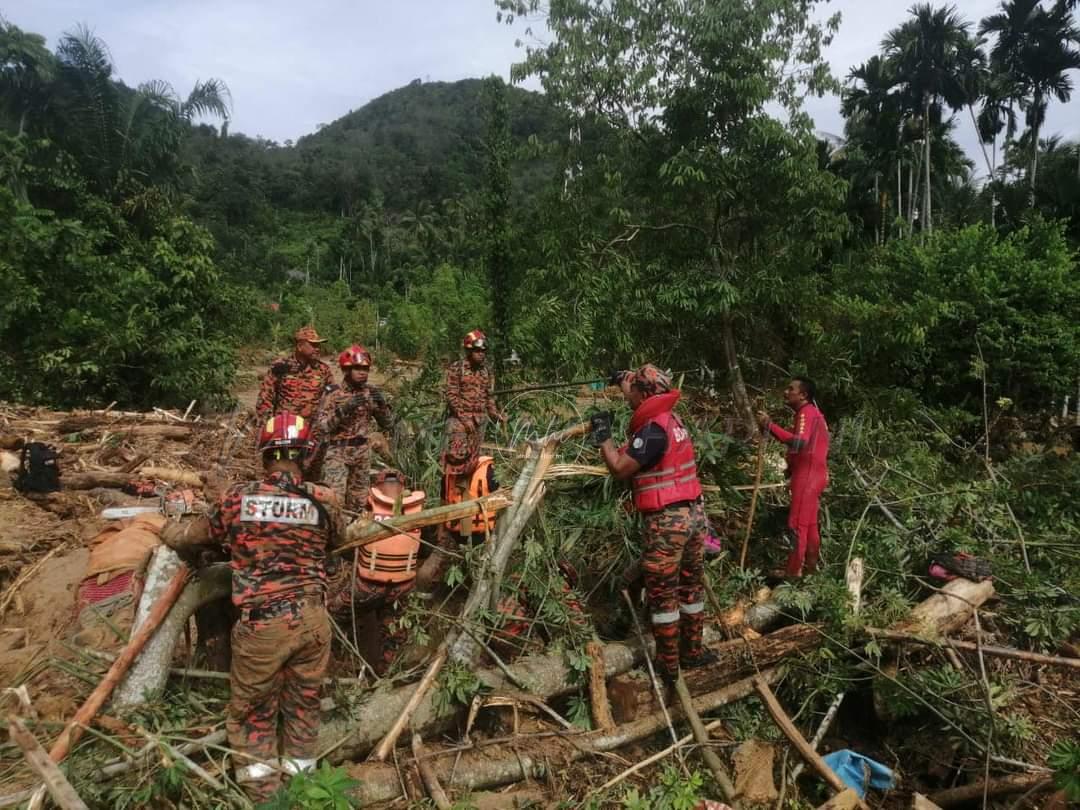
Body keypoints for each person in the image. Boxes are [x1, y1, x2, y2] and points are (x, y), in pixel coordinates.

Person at [161, 412, 343, 801]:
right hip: (313, 620)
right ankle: (305, 789)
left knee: (252, 716)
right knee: (303, 708)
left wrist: (166, 528)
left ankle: (266, 799)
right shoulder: (324, 500)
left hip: (264, 627)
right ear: (306, 455)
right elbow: (335, 542)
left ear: (264, 455)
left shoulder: (237, 499)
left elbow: (191, 538)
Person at [591, 364, 714, 685]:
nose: (627, 396)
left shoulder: (652, 432)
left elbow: (619, 467)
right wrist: (621, 380)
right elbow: (635, 396)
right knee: (691, 588)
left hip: (667, 524)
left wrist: (603, 437)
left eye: (631, 390)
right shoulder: (672, 422)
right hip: (694, 518)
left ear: (645, 393)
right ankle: (693, 652)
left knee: (663, 598)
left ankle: (668, 665)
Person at [756, 377, 830, 578]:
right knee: (810, 525)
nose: (786, 392)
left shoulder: (806, 413)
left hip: (808, 477)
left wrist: (770, 426)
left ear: (803, 395)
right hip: (816, 475)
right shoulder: (815, 414)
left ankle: (792, 576)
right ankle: (810, 572)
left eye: (791, 389)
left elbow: (799, 443)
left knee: (796, 525)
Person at [316, 344, 394, 513]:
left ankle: (355, 534)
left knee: (358, 503)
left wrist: (382, 405)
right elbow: (322, 426)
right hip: (338, 453)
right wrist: (344, 409)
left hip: (362, 454)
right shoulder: (333, 393)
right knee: (334, 501)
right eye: (357, 368)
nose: (362, 373)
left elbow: (387, 424)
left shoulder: (369, 393)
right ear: (347, 370)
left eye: (365, 369)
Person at [441, 329, 505, 500]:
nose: (481, 354)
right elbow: (452, 395)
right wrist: (463, 417)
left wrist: (495, 414)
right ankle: (447, 505)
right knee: (454, 465)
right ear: (469, 350)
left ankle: (465, 505)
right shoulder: (458, 368)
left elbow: (488, 396)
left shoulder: (486, 371)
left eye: (483, 351)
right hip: (459, 424)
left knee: (471, 465)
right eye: (477, 351)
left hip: (478, 423)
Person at [255, 326, 334, 422]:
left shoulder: (323, 370)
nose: (317, 349)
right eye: (313, 345)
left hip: (311, 430)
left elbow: (333, 395)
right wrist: (268, 425)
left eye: (318, 345)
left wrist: (325, 416)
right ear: (300, 346)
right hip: (283, 427)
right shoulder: (281, 367)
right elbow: (265, 398)